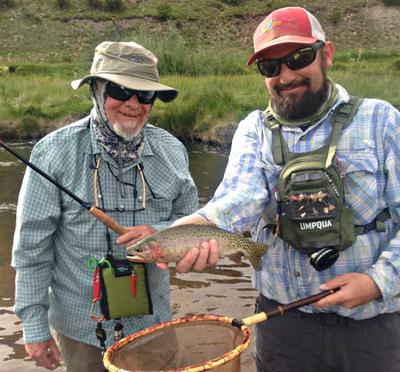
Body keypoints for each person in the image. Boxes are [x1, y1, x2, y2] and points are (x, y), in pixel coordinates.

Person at [171, 6, 400, 372]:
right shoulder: (253, 129)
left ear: (327, 54)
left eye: (299, 57)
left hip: (372, 326)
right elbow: (241, 195)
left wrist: (378, 282)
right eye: (271, 67)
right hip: (282, 326)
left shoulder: (381, 120)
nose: (286, 75)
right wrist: (200, 222)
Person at [12, 41, 198, 371]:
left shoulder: (173, 152)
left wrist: (164, 236)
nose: (133, 103)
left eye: (145, 95)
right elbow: (31, 251)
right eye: (120, 90)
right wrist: (35, 327)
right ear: (97, 90)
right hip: (82, 330)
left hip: (153, 324)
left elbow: (193, 227)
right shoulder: (52, 153)